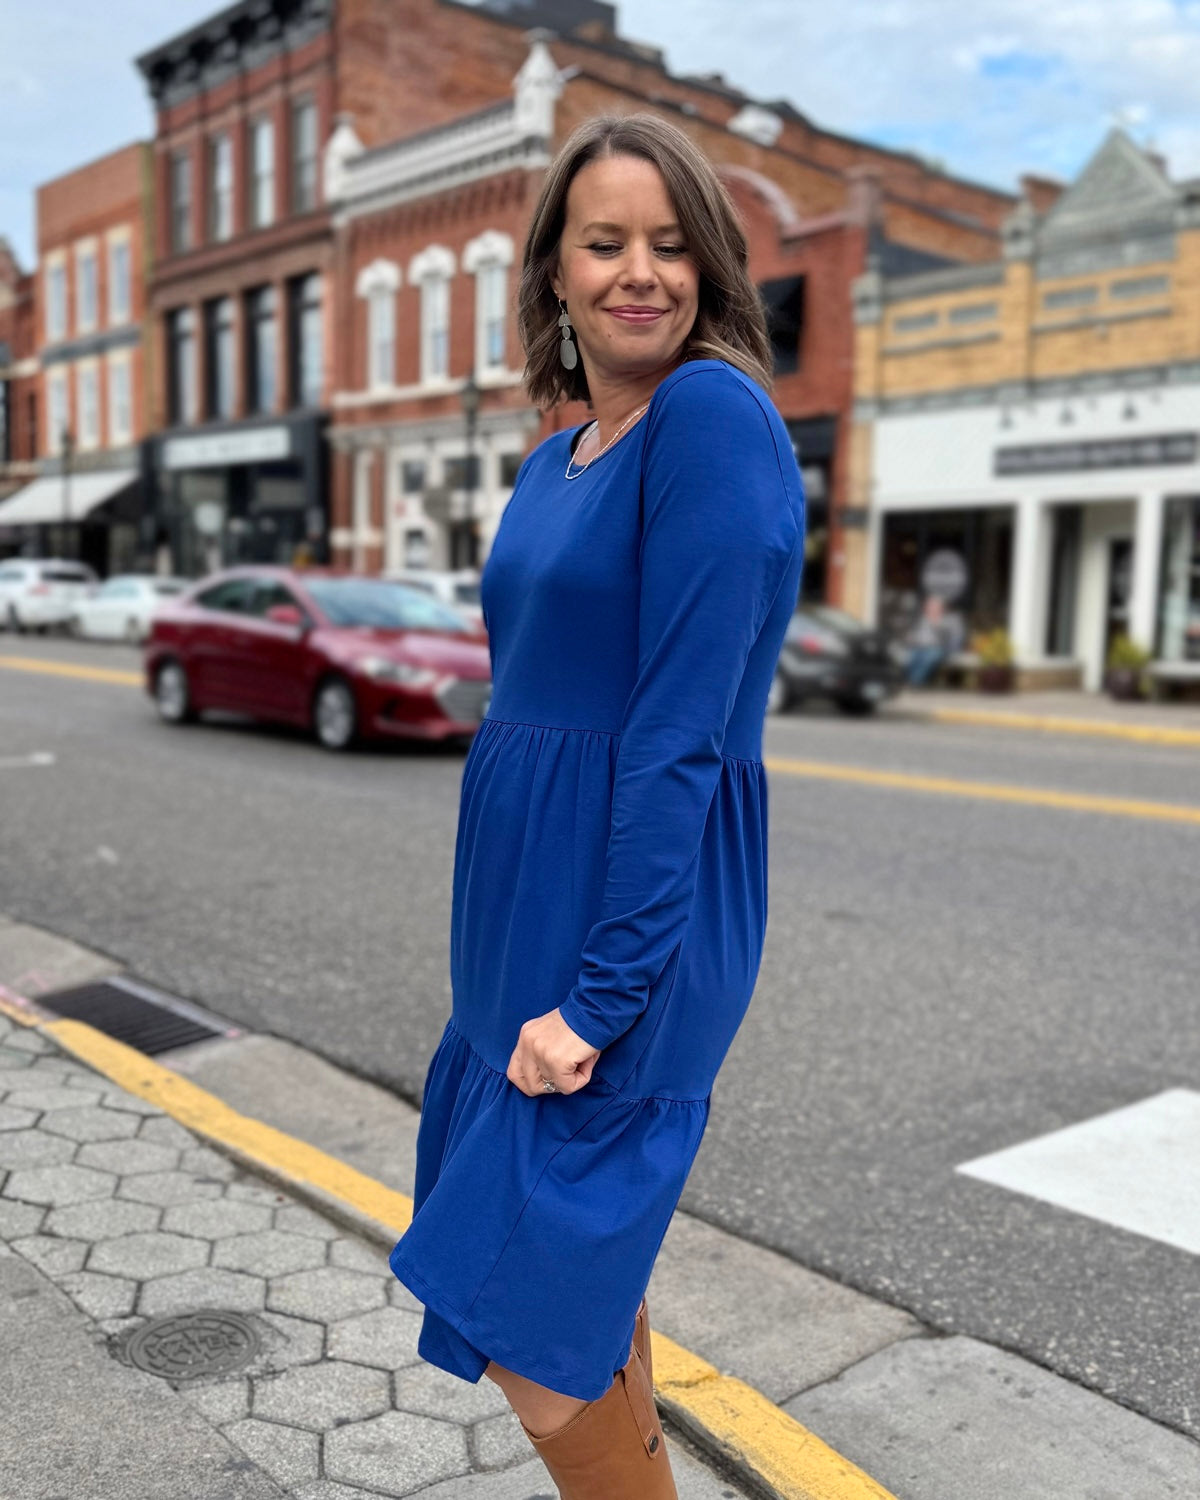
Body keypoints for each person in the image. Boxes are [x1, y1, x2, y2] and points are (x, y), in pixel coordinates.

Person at [387, 112, 806, 1499]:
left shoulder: (710, 417)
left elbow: (680, 733)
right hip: (519, 917)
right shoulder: (552, 455)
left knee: (536, 1331)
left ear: (714, 267)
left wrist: (604, 993)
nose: (642, 272)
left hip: (622, 930)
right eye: (607, 242)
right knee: (585, 1300)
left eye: (674, 244)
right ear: (554, 272)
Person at [904, 593, 963, 687]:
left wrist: (937, 625)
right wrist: (911, 638)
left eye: (933, 606)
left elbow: (954, 637)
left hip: (938, 648)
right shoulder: (922, 619)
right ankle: (911, 681)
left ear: (941, 608)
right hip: (918, 646)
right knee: (908, 658)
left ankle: (914, 682)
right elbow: (914, 634)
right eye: (928, 606)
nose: (930, 608)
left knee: (929, 657)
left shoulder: (950, 620)